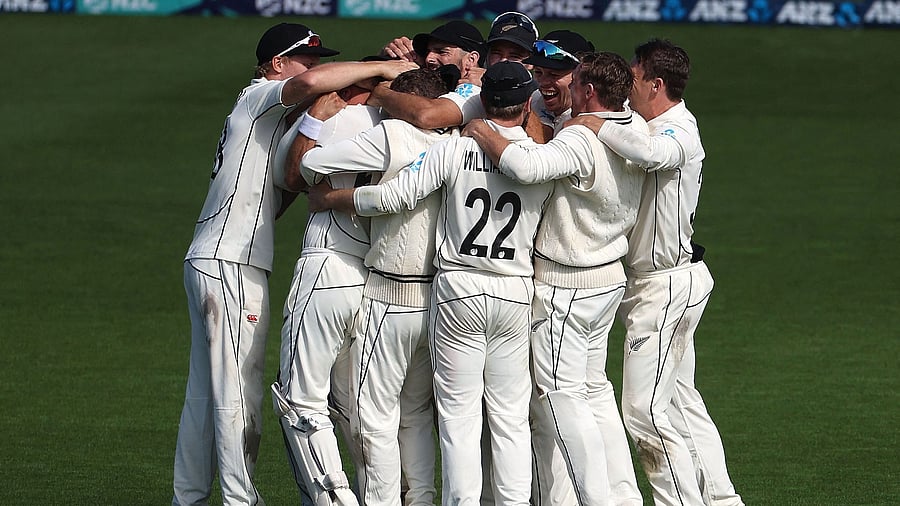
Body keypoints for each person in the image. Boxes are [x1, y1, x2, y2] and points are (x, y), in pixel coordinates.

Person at [173, 22, 415, 506]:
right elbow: (306, 87)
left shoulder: (268, 121)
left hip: (213, 256)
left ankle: (190, 497)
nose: (318, 69)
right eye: (308, 59)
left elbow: (280, 194)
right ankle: (242, 500)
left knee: (204, 396)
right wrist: (386, 68)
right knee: (238, 392)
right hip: (231, 262)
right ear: (276, 65)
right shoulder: (262, 93)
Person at [312, 61, 552, 506]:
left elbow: (394, 197)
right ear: (524, 106)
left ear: (484, 102)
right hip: (515, 293)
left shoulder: (453, 149)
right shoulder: (540, 158)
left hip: (460, 290)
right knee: (510, 417)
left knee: (458, 417)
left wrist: (333, 198)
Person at [462, 52, 647, 506]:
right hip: (607, 279)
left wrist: (482, 130)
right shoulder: (634, 128)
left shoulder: (582, 137)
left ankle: (595, 501)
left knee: (561, 399)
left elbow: (526, 168)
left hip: (568, 285)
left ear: (587, 91)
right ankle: (623, 499)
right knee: (595, 393)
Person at [571, 39, 745, 506]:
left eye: (633, 77)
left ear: (656, 83)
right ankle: (723, 500)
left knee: (642, 411)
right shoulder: (644, 124)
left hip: (667, 285)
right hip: (656, 284)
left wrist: (592, 122)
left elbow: (655, 156)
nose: (627, 86)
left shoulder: (680, 129)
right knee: (681, 403)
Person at [300, 68, 456, 506]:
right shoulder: (457, 144)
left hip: (388, 296)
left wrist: (331, 191)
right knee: (417, 415)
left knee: (374, 417)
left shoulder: (391, 136)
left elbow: (312, 164)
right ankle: (421, 499)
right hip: (438, 299)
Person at [370, 12, 547, 142]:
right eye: (496, 53)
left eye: (515, 56)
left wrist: (382, 92)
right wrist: (385, 60)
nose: (503, 61)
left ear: (531, 62)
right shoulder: (468, 82)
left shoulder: (542, 97)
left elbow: (426, 115)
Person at [525, 30, 595, 140]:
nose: (543, 82)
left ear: (580, 75)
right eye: (538, 72)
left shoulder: (593, 118)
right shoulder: (535, 99)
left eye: (553, 74)